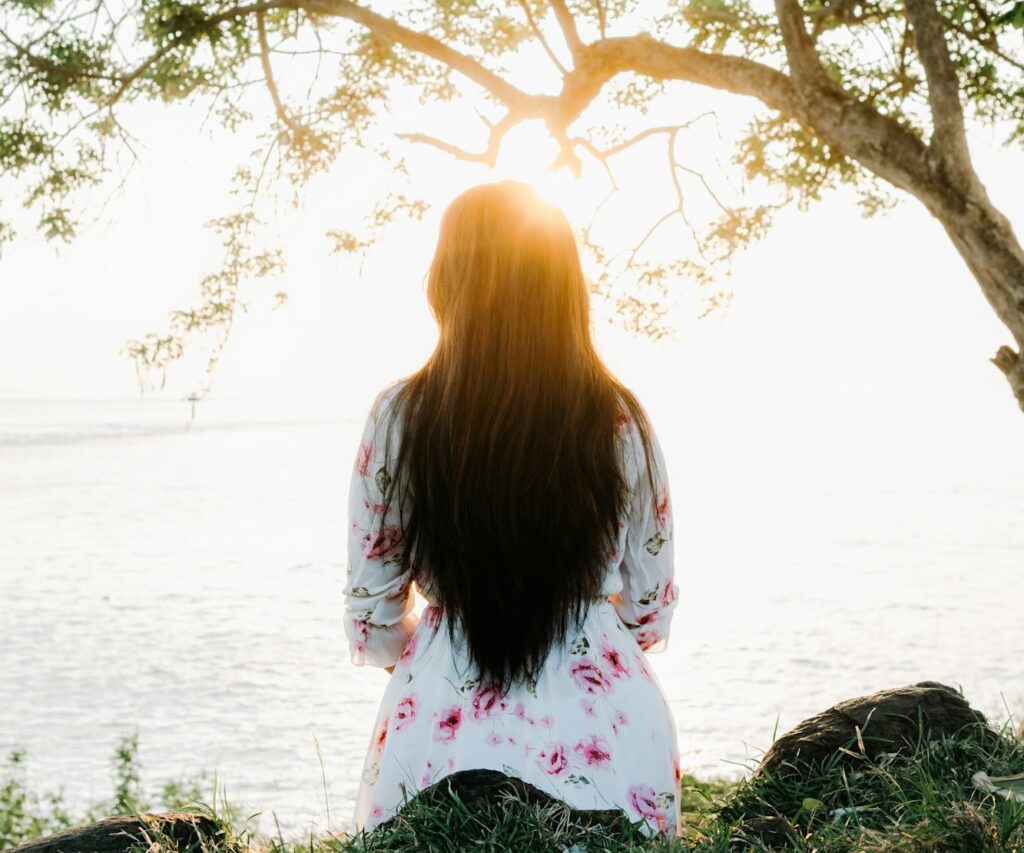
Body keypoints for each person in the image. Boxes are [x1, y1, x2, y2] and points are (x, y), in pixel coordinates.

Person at [342, 180, 680, 837]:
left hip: (442, 723)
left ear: (448, 280)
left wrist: (440, 646)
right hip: (610, 727)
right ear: (566, 288)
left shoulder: (400, 417)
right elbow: (650, 604)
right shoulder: (621, 417)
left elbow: (372, 609)